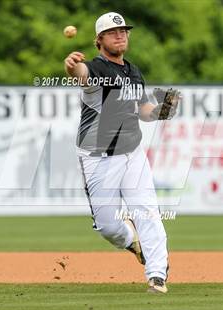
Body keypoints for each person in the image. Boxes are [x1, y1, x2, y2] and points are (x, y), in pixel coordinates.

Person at [64, 12, 179, 293]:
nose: (121, 35)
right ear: (99, 40)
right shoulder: (96, 69)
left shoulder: (133, 71)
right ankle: (132, 241)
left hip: (132, 152)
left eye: (124, 31)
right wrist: (71, 67)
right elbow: (81, 75)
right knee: (107, 227)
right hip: (99, 157)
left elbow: (141, 110)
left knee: (148, 211)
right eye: (113, 32)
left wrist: (162, 111)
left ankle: (156, 275)